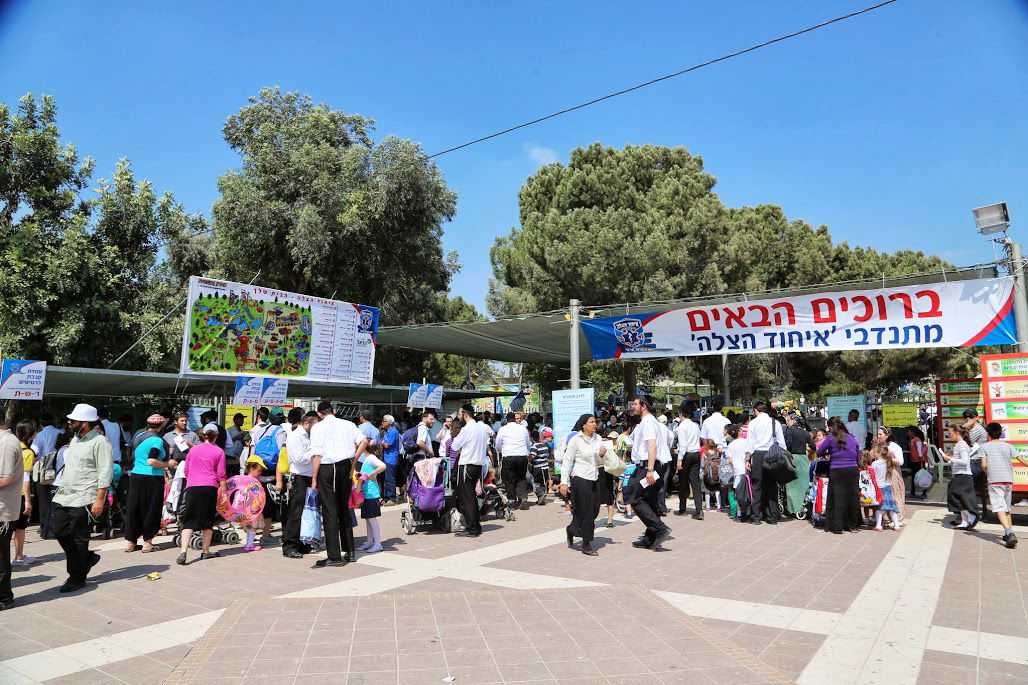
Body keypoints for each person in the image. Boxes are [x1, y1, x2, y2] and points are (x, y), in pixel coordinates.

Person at [52, 404, 113, 593]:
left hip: (85, 496)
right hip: (65, 494)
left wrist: (99, 500)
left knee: (79, 538)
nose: (69, 423)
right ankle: (85, 558)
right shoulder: (75, 440)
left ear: (85, 423)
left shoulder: (100, 442)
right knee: (59, 531)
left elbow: (105, 472)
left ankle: (76, 577)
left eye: (73, 420)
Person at [310, 400, 369, 567]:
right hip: (345, 466)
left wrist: (314, 479)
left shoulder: (318, 428)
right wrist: (353, 462)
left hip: (327, 468)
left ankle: (334, 556)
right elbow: (364, 441)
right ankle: (350, 551)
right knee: (344, 508)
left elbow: (317, 455)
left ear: (320, 414)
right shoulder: (348, 424)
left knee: (329, 511)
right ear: (334, 411)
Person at [124, 414, 177, 553]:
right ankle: (148, 543)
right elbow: (151, 460)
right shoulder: (157, 441)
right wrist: (167, 463)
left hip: (136, 476)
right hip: (152, 478)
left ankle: (131, 542)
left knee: (134, 508)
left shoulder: (139, 436)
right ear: (161, 426)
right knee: (151, 509)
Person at [176, 423, 227, 565]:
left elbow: (186, 469)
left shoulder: (194, 450)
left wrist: (192, 479)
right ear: (216, 436)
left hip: (193, 486)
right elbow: (221, 474)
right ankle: (205, 551)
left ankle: (183, 552)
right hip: (209, 487)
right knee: (207, 520)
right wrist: (223, 491)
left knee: (189, 520)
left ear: (203, 434)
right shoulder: (219, 451)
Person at [626, 395, 672, 551]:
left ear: (643, 406)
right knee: (649, 499)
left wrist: (650, 470)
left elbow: (652, 446)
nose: (633, 406)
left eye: (635, 404)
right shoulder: (650, 423)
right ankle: (650, 538)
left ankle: (660, 528)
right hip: (651, 465)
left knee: (634, 496)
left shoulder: (649, 423)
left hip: (648, 466)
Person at [559, 414, 606, 556]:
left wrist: (602, 454)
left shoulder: (597, 438)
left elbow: (599, 461)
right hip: (580, 478)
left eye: (595, 421)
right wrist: (563, 482)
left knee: (594, 509)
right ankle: (586, 544)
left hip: (595, 477)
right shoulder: (575, 440)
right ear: (583, 425)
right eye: (591, 422)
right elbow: (567, 461)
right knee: (587, 512)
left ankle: (572, 529)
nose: (594, 424)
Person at [980, 421, 1028, 548]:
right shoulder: (1008, 446)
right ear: (1001, 433)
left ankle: (1008, 532)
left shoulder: (985, 447)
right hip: (1008, 480)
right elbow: (1023, 461)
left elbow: (983, 465)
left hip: (995, 480)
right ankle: (1009, 533)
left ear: (987, 433)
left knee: (999, 508)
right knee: (1007, 508)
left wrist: (990, 473)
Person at [449, 404, 491, 538]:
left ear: (465, 414)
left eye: (461, 414)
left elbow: (455, 446)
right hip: (478, 466)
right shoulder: (481, 428)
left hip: (467, 466)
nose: (460, 416)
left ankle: (472, 527)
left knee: (467, 498)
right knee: (472, 496)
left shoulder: (467, 429)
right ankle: (475, 525)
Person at [282, 410, 319, 559]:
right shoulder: (296, 436)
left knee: (306, 512)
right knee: (295, 512)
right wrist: (314, 451)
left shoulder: (309, 435)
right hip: (299, 477)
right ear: (307, 423)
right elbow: (298, 459)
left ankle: (301, 543)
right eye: (315, 424)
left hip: (309, 476)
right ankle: (289, 545)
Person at [816, 417, 862, 535]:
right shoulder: (852, 438)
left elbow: (819, 452)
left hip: (837, 470)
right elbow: (857, 455)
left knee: (837, 498)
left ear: (830, 428)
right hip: (852, 470)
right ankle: (853, 525)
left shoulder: (831, 438)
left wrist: (829, 452)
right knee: (852, 497)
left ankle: (838, 527)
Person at [747, 402, 787, 524]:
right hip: (772, 455)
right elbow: (781, 443)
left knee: (757, 485)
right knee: (771, 485)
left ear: (755, 410)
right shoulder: (775, 422)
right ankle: (772, 516)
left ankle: (756, 516)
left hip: (758, 454)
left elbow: (750, 444)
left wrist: (747, 460)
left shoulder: (753, 423)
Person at [0, 415, 25, 609]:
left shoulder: (6, 443)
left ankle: (4, 598)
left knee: (0, 558)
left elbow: (4, 479)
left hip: (2, 511)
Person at [942, 425, 980, 530]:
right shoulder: (960, 444)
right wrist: (951, 458)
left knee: (954, 495)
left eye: (950, 433)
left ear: (957, 433)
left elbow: (965, 461)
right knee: (959, 498)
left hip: (963, 475)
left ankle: (971, 515)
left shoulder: (962, 445)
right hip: (961, 474)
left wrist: (950, 458)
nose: (948, 436)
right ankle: (964, 520)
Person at [30, 414, 62, 539]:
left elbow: (34, 452)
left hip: (43, 471)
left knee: (44, 502)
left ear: (41, 423)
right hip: (59, 471)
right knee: (56, 501)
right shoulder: (61, 432)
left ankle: (45, 529)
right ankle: (56, 528)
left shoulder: (39, 435)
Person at [496, 412, 532, 510]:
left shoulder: (502, 429)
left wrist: (500, 451)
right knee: (521, 478)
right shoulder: (523, 429)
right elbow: (528, 443)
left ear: (507, 420)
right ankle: (522, 497)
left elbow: (498, 444)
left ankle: (512, 500)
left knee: (509, 479)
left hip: (509, 456)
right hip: (522, 456)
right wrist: (526, 453)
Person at [13, 420, 36, 566]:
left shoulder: (9, 446)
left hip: (5, 492)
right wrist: (28, 500)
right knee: (20, 527)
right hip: (19, 494)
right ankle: (19, 556)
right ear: (32, 434)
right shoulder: (27, 453)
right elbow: (25, 478)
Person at [673, 406, 702, 519]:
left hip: (686, 455)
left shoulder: (682, 427)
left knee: (683, 482)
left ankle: (682, 508)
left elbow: (683, 445)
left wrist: (679, 459)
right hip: (696, 454)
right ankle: (699, 510)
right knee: (695, 482)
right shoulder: (695, 426)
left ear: (681, 414)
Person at [357, 449, 386, 553]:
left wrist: (372, 474)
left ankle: (378, 543)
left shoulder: (371, 458)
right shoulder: (367, 459)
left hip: (371, 493)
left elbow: (383, 466)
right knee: (368, 519)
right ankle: (370, 542)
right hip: (367, 493)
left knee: (371, 519)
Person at [870, 443, 901, 531]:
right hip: (888, 487)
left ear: (879, 453)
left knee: (879, 507)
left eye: (875, 452)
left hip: (879, 488)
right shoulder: (889, 462)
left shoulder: (874, 464)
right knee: (891, 506)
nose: (874, 454)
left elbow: (873, 476)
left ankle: (879, 525)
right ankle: (896, 525)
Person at [380, 415, 401, 505]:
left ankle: (391, 498)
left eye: (384, 421)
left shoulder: (393, 432)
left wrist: (382, 442)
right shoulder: (387, 432)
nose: (382, 422)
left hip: (391, 458)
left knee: (390, 479)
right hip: (386, 457)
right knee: (385, 478)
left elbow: (387, 445)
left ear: (388, 422)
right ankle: (386, 496)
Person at [529, 430, 553, 504]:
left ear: (532, 438)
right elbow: (549, 453)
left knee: (535, 483)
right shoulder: (544, 445)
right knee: (542, 483)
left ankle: (541, 494)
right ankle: (541, 499)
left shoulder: (534, 446)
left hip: (538, 468)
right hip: (545, 467)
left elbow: (533, 456)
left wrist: (528, 459)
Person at [906, 426, 929, 499]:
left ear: (913, 432)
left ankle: (924, 493)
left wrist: (922, 463)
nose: (907, 433)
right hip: (914, 461)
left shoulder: (917, 440)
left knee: (922, 477)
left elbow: (919, 452)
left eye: (908, 431)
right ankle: (913, 492)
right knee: (914, 477)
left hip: (918, 462)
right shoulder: (913, 440)